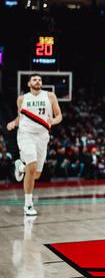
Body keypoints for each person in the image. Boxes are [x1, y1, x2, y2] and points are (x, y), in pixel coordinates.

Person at [6, 74, 63, 216]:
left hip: (42, 136)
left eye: (39, 80)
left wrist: (53, 121)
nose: (38, 81)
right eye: (34, 80)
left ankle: (20, 167)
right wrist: (14, 123)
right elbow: (21, 117)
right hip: (26, 134)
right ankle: (28, 205)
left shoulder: (50, 96)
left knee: (35, 174)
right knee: (32, 166)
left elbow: (59, 116)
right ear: (29, 83)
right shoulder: (22, 99)